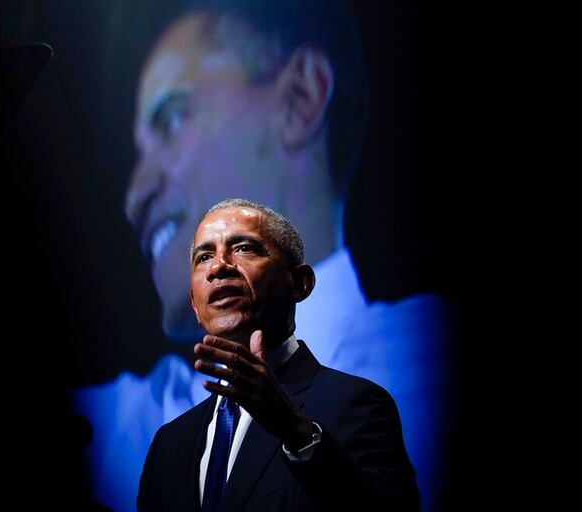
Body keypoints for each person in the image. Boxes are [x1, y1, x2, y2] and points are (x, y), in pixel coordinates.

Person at [72, 2, 451, 511]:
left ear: (300, 97)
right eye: (202, 257)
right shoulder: (157, 439)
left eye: (172, 117)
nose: (134, 195)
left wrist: (296, 431)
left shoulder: (406, 375)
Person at [137, 198, 420, 511]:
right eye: (204, 256)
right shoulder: (168, 445)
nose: (218, 267)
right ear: (194, 303)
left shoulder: (356, 404)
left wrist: (295, 431)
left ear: (300, 283)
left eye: (243, 248)